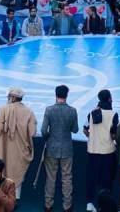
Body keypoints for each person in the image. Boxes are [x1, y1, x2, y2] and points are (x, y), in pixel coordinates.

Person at [0, 88, 37, 205]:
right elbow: (32, 133)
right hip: (19, 150)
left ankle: (1, 199)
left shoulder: (2, 109)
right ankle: (14, 200)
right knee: (17, 175)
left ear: (12, 97)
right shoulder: (29, 112)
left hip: (2, 148)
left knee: (2, 172)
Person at [41, 84, 79, 212]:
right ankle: (67, 206)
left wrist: (48, 137)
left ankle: (48, 205)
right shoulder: (72, 110)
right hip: (67, 149)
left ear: (55, 94)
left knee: (50, 178)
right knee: (67, 178)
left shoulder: (49, 110)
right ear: (67, 95)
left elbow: (43, 130)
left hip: (52, 148)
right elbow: (75, 130)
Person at [84, 89, 118, 212]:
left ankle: (89, 203)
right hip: (108, 152)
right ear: (109, 99)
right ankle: (105, 206)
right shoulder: (113, 114)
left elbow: (85, 129)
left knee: (91, 179)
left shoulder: (91, 112)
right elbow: (114, 135)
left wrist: (92, 137)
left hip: (92, 151)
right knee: (107, 181)